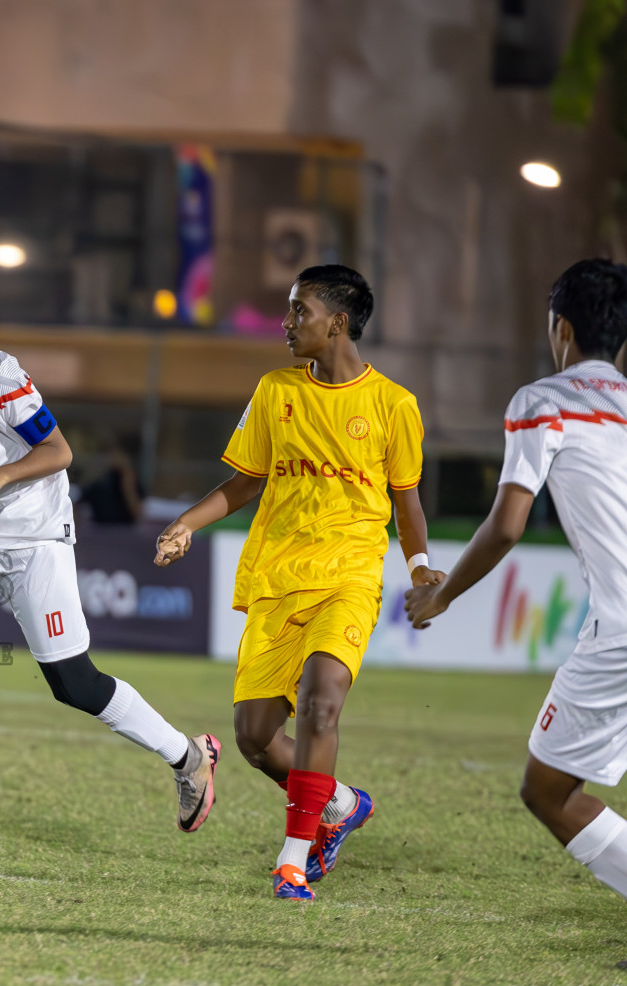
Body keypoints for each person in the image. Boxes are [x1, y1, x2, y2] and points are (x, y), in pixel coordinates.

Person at [0, 256, 220, 852]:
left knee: (73, 684)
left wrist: (0, 476)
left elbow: (59, 451)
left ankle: (188, 756)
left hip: (37, 538)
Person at [154, 264, 441, 901]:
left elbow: (407, 501)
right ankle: (338, 803)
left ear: (337, 322)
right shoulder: (275, 390)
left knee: (321, 701)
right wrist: (186, 524)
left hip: (351, 573)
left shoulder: (393, 405)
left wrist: (420, 571)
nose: (286, 324)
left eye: (297, 311)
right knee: (254, 739)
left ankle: (293, 858)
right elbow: (243, 483)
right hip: (279, 575)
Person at [406, 258, 627, 911]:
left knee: (547, 791)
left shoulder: (544, 401)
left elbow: (507, 525)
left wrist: (440, 595)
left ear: (561, 328)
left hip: (620, 631)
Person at [80, 446, 144, 525]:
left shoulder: (128, 480)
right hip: (99, 530)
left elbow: (136, 512)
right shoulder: (98, 482)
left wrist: (127, 480)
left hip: (125, 530)